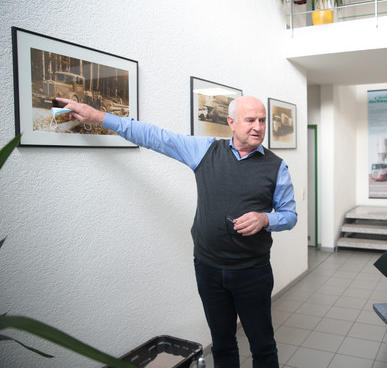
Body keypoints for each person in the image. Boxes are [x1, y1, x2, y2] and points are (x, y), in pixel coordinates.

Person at [59, 95, 298, 368]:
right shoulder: (205, 150)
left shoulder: (276, 166)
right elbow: (154, 136)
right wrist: (97, 116)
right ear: (231, 122)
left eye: (263, 120)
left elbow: (290, 216)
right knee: (222, 343)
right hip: (208, 269)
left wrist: (265, 219)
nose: (258, 127)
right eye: (250, 120)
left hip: (252, 272)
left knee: (263, 346)